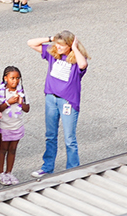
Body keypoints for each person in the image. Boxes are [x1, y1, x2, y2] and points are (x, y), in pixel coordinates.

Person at [29, 31, 88, 177]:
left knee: (69, 138)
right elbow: (31, 43)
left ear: (69, 46)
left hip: (68, 101)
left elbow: (83, 64)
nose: (59, 47)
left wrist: (75, 48)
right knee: (50, 135)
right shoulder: (53, 54)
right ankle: (47, 167)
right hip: (51, 99)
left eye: (62, 45)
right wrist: (51, 38)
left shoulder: (76, 60)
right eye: (58, 44)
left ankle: (73, 169)